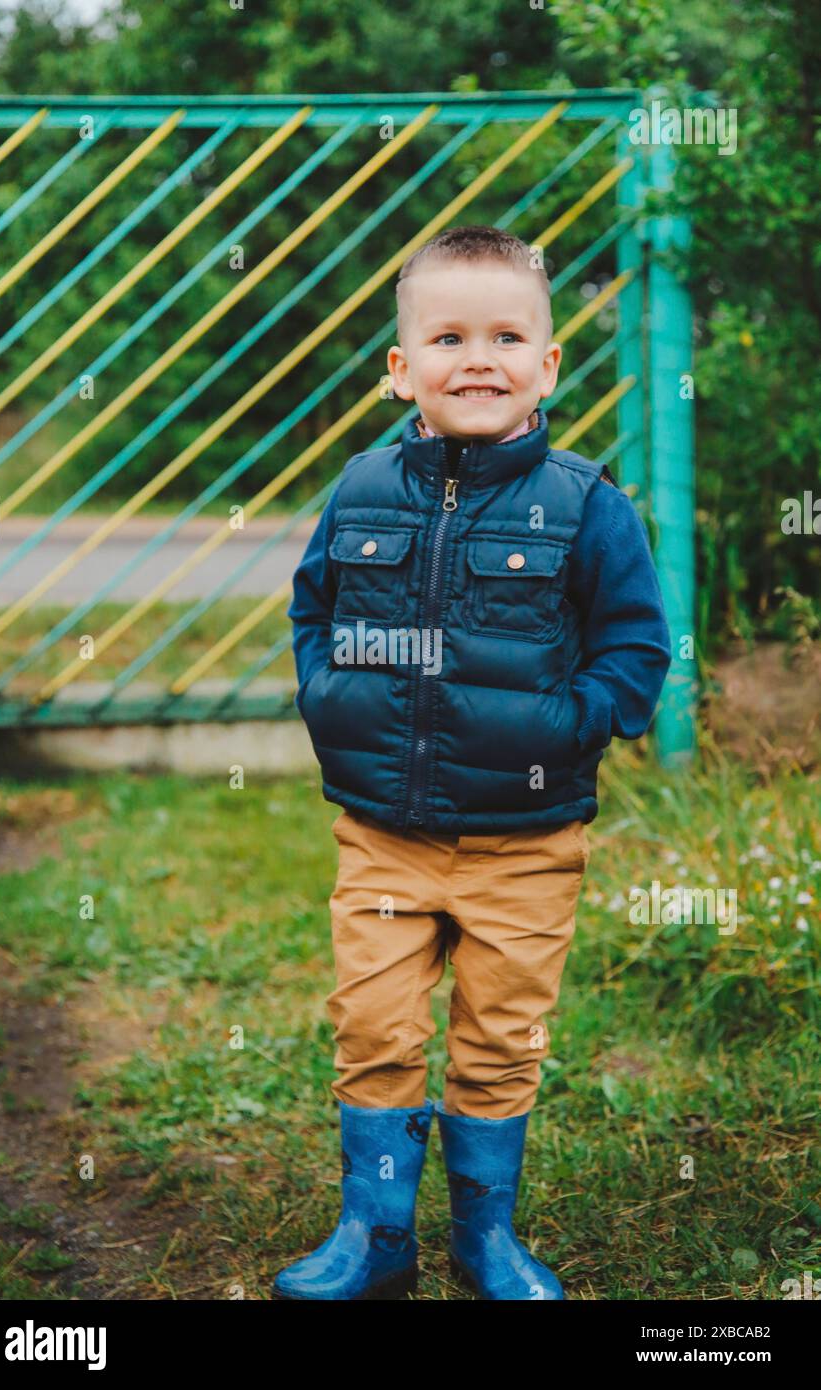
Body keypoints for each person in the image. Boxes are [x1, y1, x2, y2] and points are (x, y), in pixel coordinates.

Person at [275, 225, 672, 1300]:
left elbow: (635, 643)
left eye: (507, 336)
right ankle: (376, 1236)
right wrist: (327, 693)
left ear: (547, 364)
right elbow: (314, 608)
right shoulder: (359, 490)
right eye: (447, 336)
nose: (478, 358)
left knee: (499, 1038)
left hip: (524, 843)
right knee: (373, 1025)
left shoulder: (584, 504)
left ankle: (483, 1241)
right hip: (382, 833)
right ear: (400, 367)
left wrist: (571, 721)